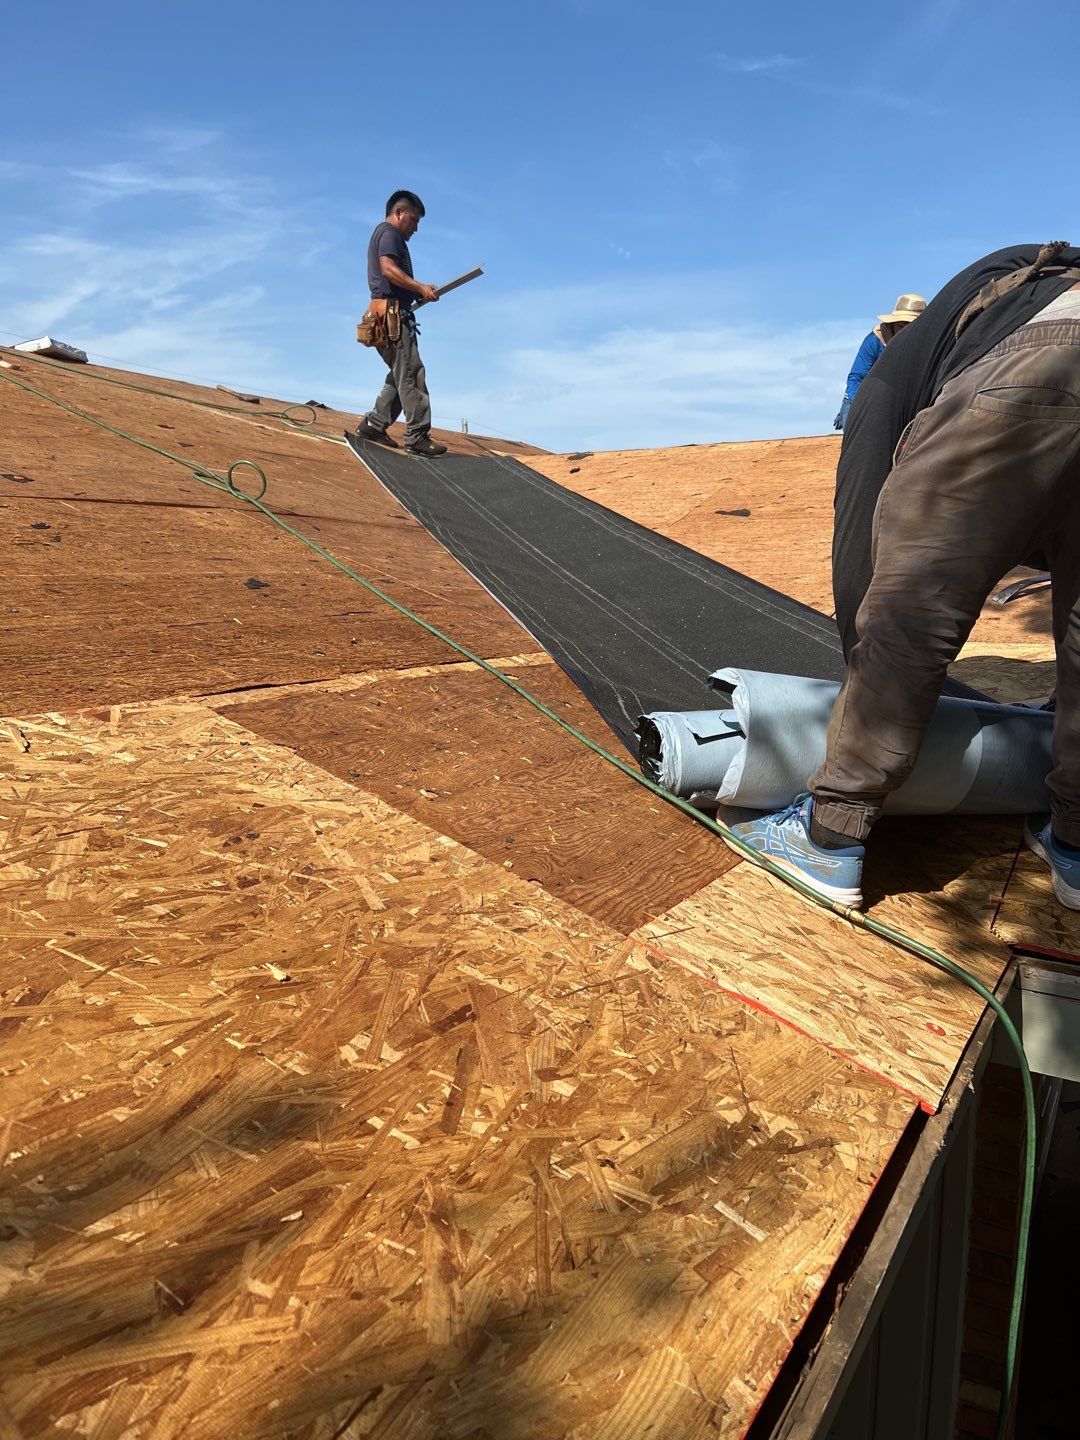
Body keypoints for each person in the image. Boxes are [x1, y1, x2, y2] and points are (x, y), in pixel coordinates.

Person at [733, 242, 1080, 912]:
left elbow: (869, 543)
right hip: (1049, 349)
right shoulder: (990, 302)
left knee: (915, 609)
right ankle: (1075, 845)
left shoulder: (894, 365)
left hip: (1038, 366)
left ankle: (829, 836)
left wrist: (867, 663)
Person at [348, 190, 447, 458]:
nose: (415, 228)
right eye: (413, 220)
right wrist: (419, 286)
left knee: (399, 373)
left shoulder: (387, 235)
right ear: (399, 213)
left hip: (387, 313)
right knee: (412, 373)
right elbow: (388, 270)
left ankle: (374, 425)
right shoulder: (388, 233)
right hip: (392, 317)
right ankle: (417, 437)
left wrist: (417, 292)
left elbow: (391, 278)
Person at [833, 294, 926, 431]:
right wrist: (863, 409)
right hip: (861, 397)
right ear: (893, 324)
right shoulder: (875, 341)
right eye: (901, 325)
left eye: (911, 326)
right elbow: (856, 378)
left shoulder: (927, 344)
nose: (906, 331)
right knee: (858, 440)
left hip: (901, 400)